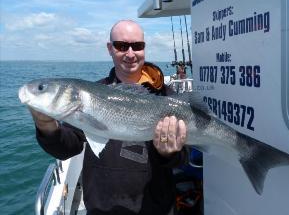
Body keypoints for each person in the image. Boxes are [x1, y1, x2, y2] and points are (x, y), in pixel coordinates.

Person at [30, 20, 188, 215]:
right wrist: (46, 127)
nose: (130, 54)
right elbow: (67, 149)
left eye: (137, 46)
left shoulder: (168, 98)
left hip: (156, 208)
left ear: (144, 48)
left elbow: (182, 159)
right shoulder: (90, 96)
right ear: (110, 48)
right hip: (102, 208)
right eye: (122, 46)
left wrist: (169, 153)